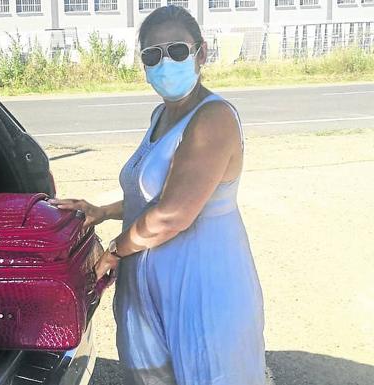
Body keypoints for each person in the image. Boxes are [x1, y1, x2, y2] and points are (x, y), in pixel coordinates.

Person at [49, 5, 266, 385]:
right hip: (150, 285)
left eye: (177, 51)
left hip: (201, 285)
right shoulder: (160, 116)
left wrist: (114, 250)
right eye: (153, 55)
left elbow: (172, 214)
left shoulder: (212, 118)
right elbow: (149, 196)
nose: (166, 63)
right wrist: (101, 211)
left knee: (207, 372)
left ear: (201, 53)